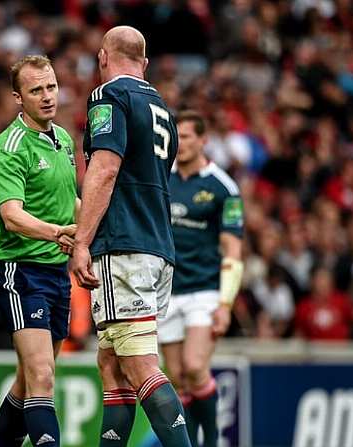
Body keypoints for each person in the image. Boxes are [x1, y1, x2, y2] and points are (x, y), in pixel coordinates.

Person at [70, 27, 190, 447]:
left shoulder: (109, 97)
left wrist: (83, 241)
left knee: (138, 366)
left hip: (124, 246)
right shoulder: (164, 111)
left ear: (103, 57)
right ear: (146, 63)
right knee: (112, 364)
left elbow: (104, 169)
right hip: (158, 247)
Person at [0, 55, 78, 447]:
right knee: (42, 374)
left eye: (51, 87)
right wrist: (59, 233)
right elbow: (12, 217)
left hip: (57, 271)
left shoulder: (64, 139)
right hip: (19, 269)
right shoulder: (8, 148)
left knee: (28, 380)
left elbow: (71, 202)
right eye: (36, 90)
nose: (46, 96)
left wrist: (90, 233)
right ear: (17, 97)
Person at [157, 110, 244, 447]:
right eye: (178, 137)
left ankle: (212, 442)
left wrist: (225, 303)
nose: (182, 144)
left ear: (204, 140)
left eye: (189, 136)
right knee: (177, 379)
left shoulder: (223, 188)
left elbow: (233, 250)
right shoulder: (164, 178)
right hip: (168, 292)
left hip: (204, 292)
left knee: (195, 366)